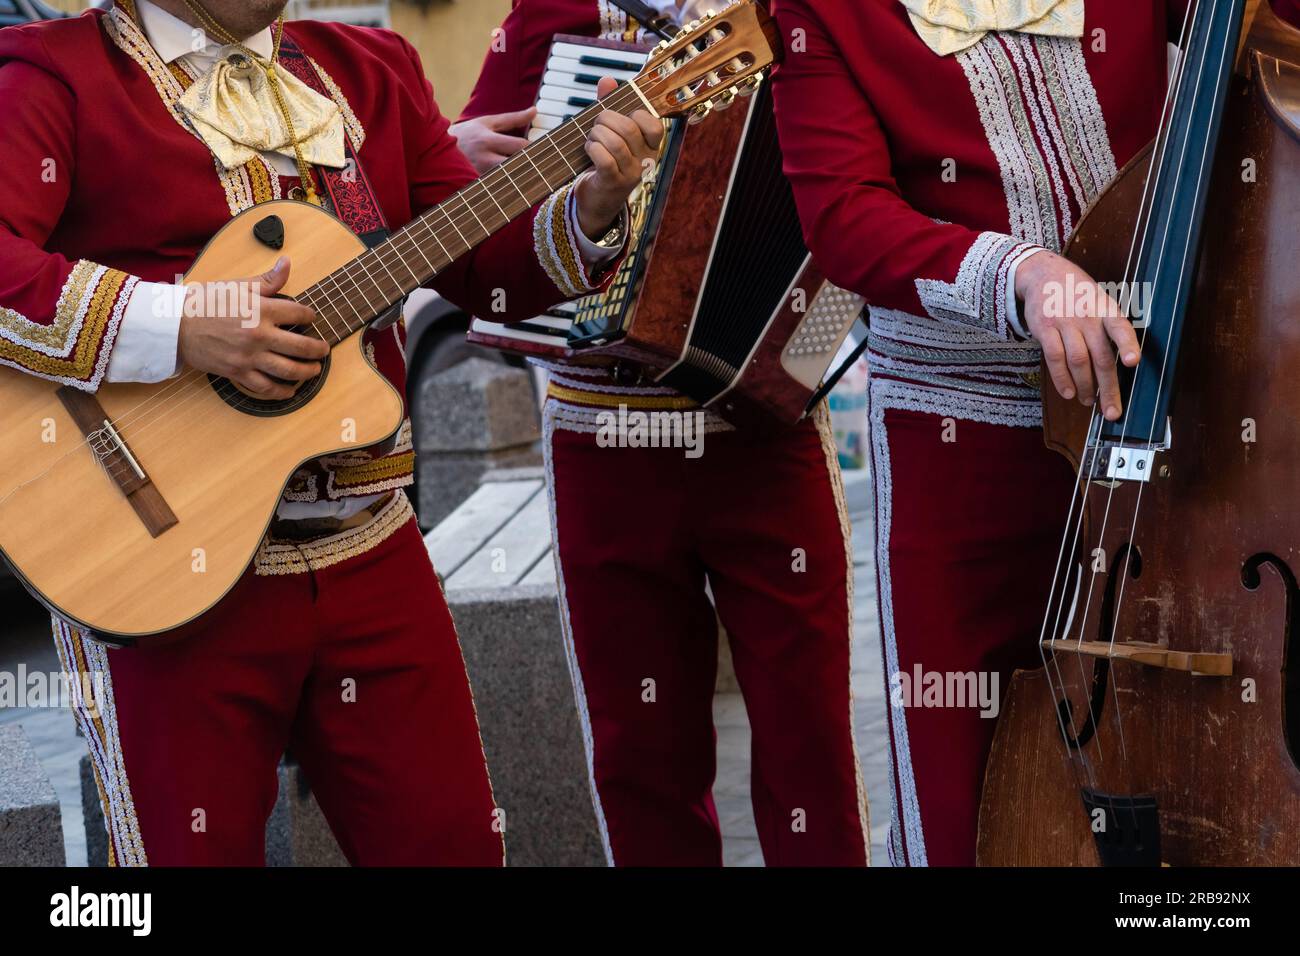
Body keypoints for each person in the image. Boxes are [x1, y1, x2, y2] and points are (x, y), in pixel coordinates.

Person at [0, 0, 658, 865]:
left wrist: (594, 204)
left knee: (454, 846)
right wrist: (183, 325)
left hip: (371, 549)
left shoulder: (372, 70)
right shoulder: (55, 72)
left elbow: (487, 269)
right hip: (159, 571)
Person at [770, 0, 1300, 865]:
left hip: (1173, 404)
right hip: (962, 433)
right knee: (961, 786)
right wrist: (1023, 273)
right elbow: (844, 217)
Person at [454, 0, 871, 867]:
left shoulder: (797, 15)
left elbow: (860, 184)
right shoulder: (552, 17)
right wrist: (459, 153)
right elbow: (470, 195)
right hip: (601, 431)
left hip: (767, 423)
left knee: (812, 746)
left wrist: (826, 318)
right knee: (640, 751)